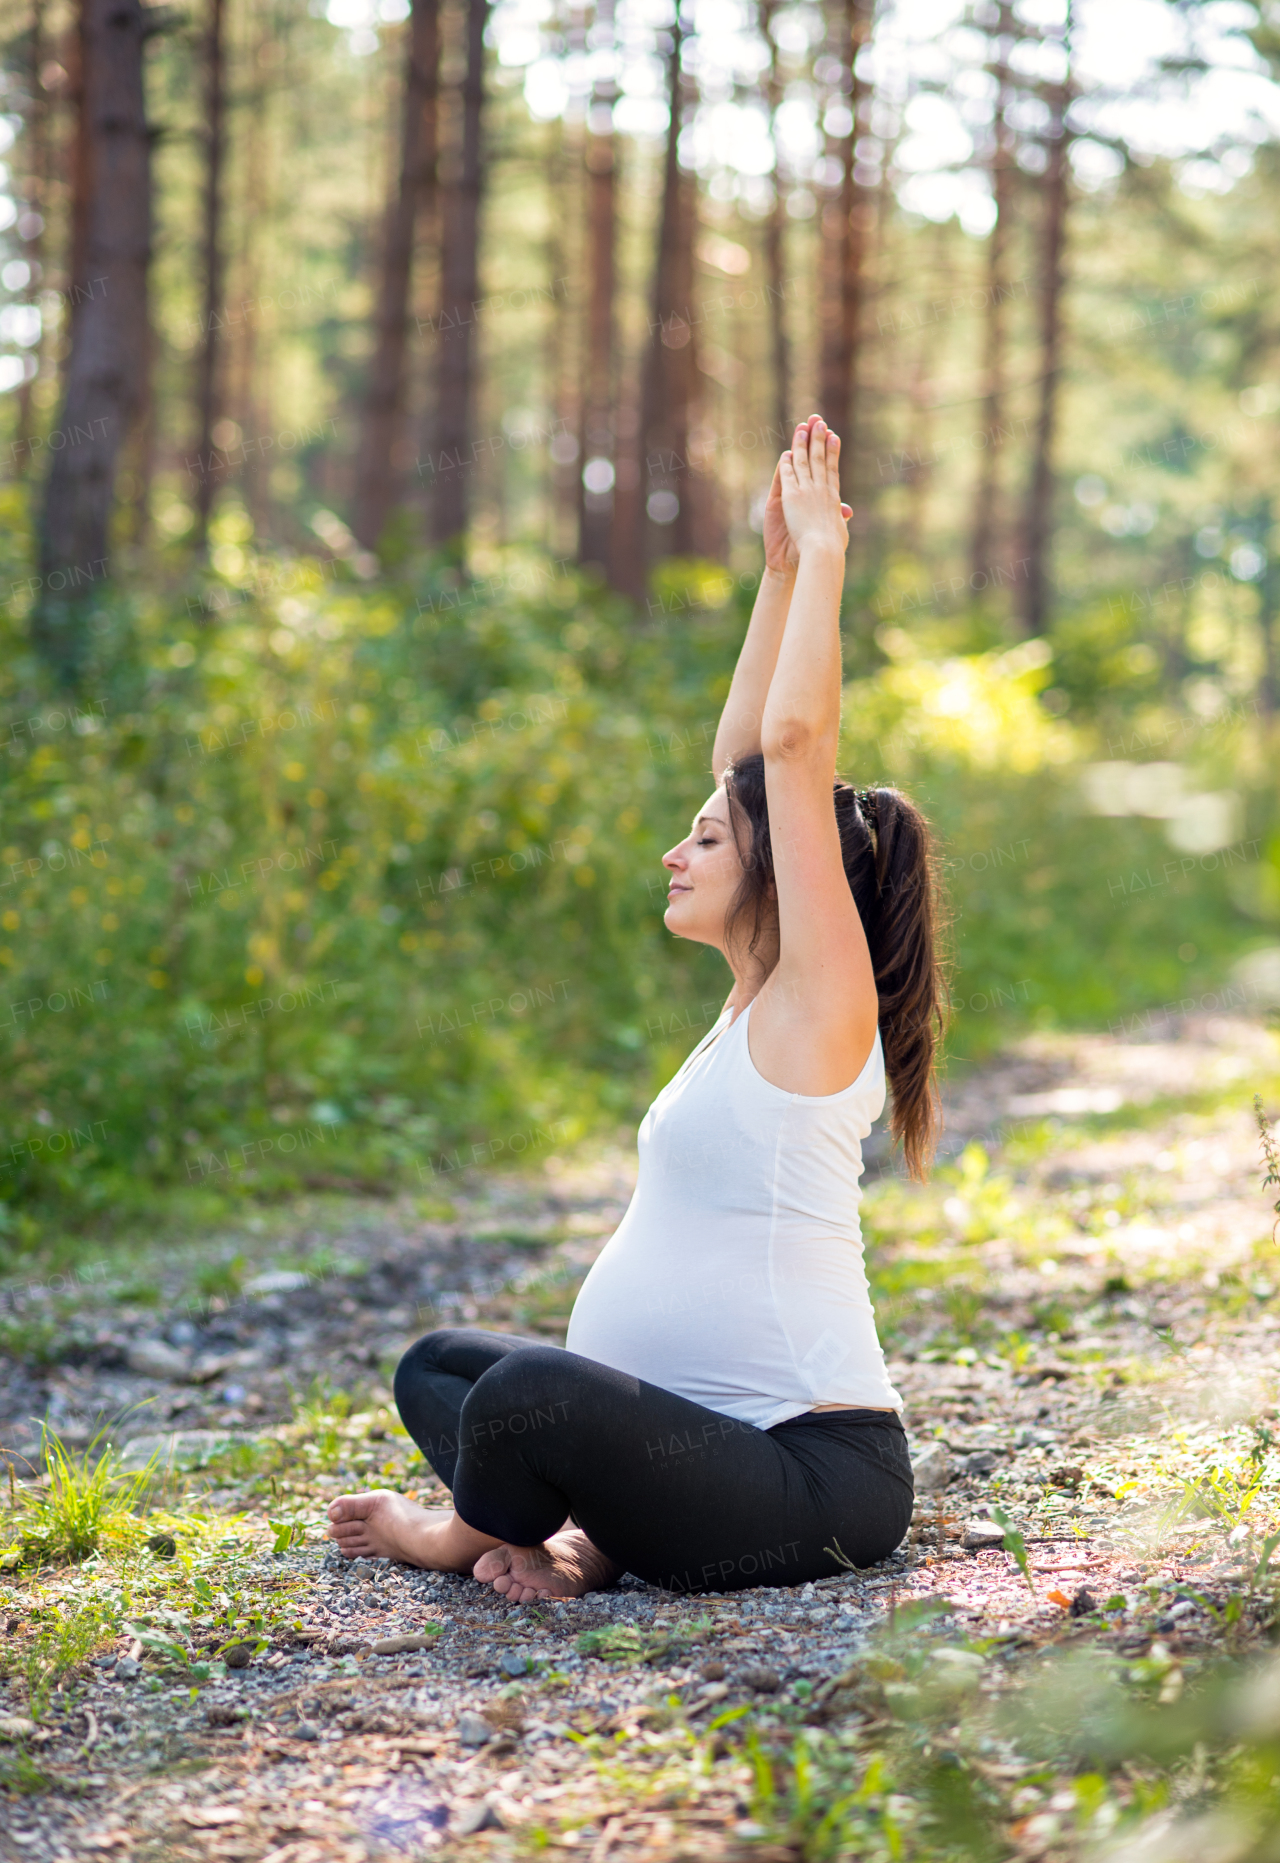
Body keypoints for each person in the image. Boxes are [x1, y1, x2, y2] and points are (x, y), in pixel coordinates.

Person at [328, 415, 948, 1601]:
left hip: (811, 1484)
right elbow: (746, 758)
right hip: (695, 1454)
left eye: (706, 841)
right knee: (443, 1365)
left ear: (783, 873)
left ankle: (464, 1538)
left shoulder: (822, 1008)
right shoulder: (748, 1011)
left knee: (517, 1399)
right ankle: (581, 1540)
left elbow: (790, 744)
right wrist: (769, 574)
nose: (675, 851)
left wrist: (824, 559)